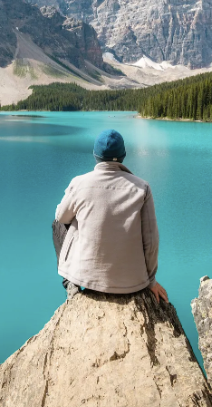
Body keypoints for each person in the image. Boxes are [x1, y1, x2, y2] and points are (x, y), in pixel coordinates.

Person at [52, 129, 168, 304]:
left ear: (95, 155)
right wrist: (151, 281)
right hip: (132, 283)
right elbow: (151, 240)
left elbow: (61, 217)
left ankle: (71, 283)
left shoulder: (80, 183)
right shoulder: (142, 187)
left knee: (60, 223)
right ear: (123, 155)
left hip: (86, 279)